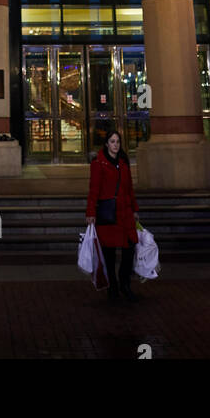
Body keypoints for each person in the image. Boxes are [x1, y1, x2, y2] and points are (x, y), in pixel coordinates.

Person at [86, 127, 140, 301]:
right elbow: (93, 190)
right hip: (108, 214)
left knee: (130, 247)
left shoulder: (124, 162)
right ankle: (113, 287)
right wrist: (90, 212)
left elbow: (130, 188)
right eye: (112, 142)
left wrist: (135, 209)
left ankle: (125, 283)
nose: (115, 145)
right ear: (106, 144)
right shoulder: (98, 163)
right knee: (109, 253)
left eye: (117, 142)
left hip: (125, 213)